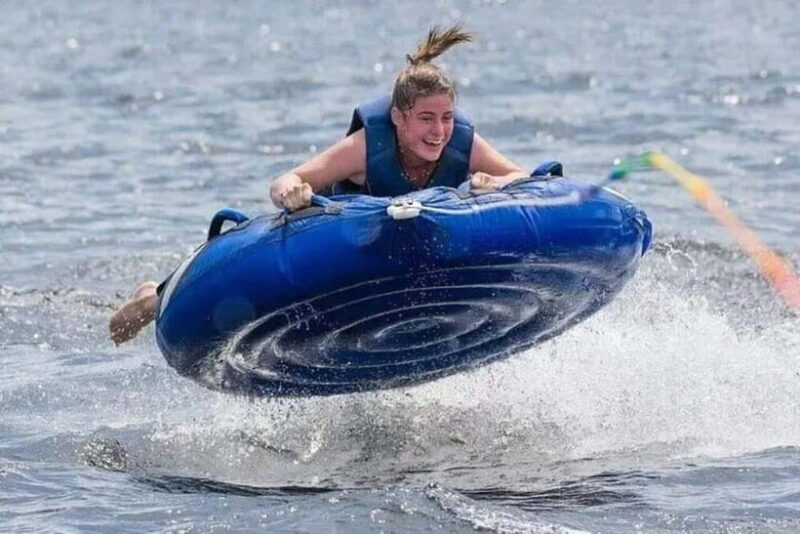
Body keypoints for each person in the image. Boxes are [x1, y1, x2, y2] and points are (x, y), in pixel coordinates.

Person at [109, 25, 526, 345]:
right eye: (426, 119)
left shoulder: (461, 143)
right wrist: (292, 192)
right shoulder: (366, 147)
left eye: (447, 118)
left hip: (401, 253)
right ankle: (152, 298)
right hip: (332, 245)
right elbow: (286, 180)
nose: (438, 131)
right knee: (220, 278)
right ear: (398, 118)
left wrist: (495, 181)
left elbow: (525, 178)